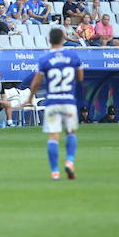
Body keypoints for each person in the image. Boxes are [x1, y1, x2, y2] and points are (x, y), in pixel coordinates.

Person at [25, 28, 83, 180]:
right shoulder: (73, 56)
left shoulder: (45, 59)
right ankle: (70, 161)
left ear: (49, 40)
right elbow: (80, 77)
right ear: (63, 39)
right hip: (69, 101)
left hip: (52, 102)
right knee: (70, 132)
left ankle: (55, 172)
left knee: (53, 136)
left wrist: (30, 97)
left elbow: (36, 82)